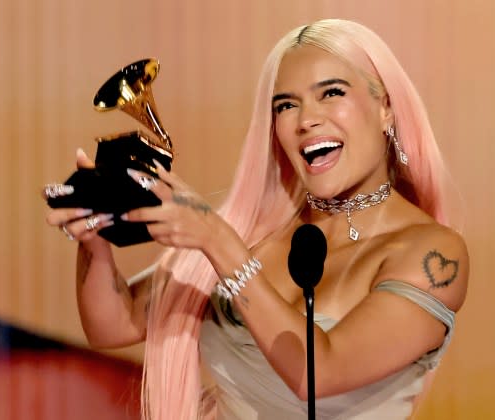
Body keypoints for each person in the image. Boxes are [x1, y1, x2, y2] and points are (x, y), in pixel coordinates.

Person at [44, 18, 469, 420]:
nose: (307, 120)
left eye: (332, 93)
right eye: (286, 105)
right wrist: (94, 240)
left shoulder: (433, 254)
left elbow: (319, 375)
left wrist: (218, 243)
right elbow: (112, 326)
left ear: (385, 108)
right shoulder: (256, 231)